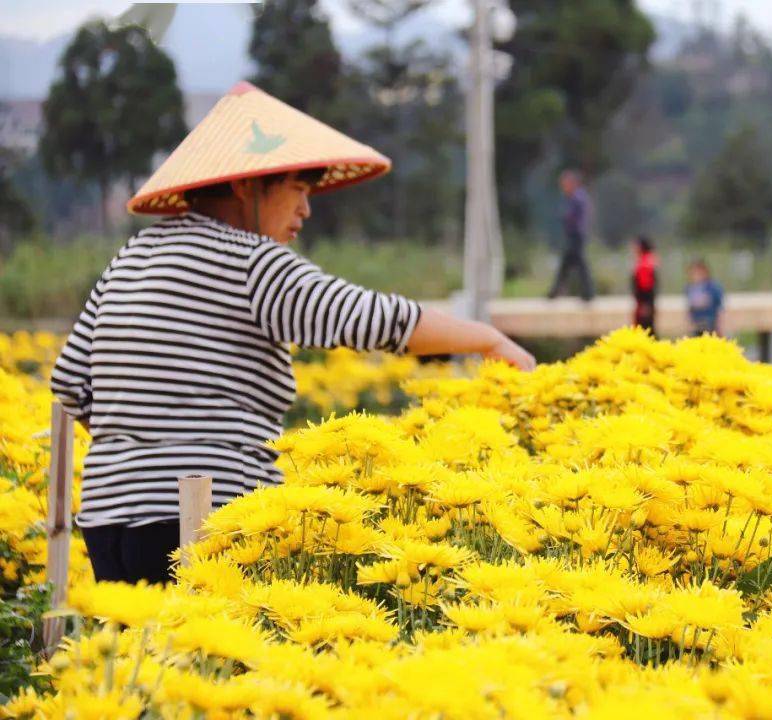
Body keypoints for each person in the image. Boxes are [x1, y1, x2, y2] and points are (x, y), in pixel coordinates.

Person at [49, 81, 535, 586]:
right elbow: (373, 319)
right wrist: (487, 339)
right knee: (205, 659)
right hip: (203, 514)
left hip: (107, 516)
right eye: (299, 190)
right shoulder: (251, 262)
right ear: (245, 185)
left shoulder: (131, 258)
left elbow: (68, 382)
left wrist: (142, 443)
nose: (306, 210)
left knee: (135, 662)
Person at [547, 169, 595, 301]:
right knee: (568, 264)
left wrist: (563, 217)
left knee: (578, 264)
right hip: (575, 235)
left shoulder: (577, 197)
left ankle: (587, 292)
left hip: (576, 235)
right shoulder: (575, 196)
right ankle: (557, 291)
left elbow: (572, 216)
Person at [685, 258, 724, 336]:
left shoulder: (713, 287)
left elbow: (720, 309)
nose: (696, 275)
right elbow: (689, 309)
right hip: (696, 326)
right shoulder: (689, 288)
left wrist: (720, 326)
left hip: (711, 326)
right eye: (693, 272)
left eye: (698, 272)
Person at [630, 236, 658, 334]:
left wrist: (645, 304)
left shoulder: (645, 263)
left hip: (644, 304)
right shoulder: (648, 260)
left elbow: (647, 287)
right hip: (644, 303)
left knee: (645, 331)